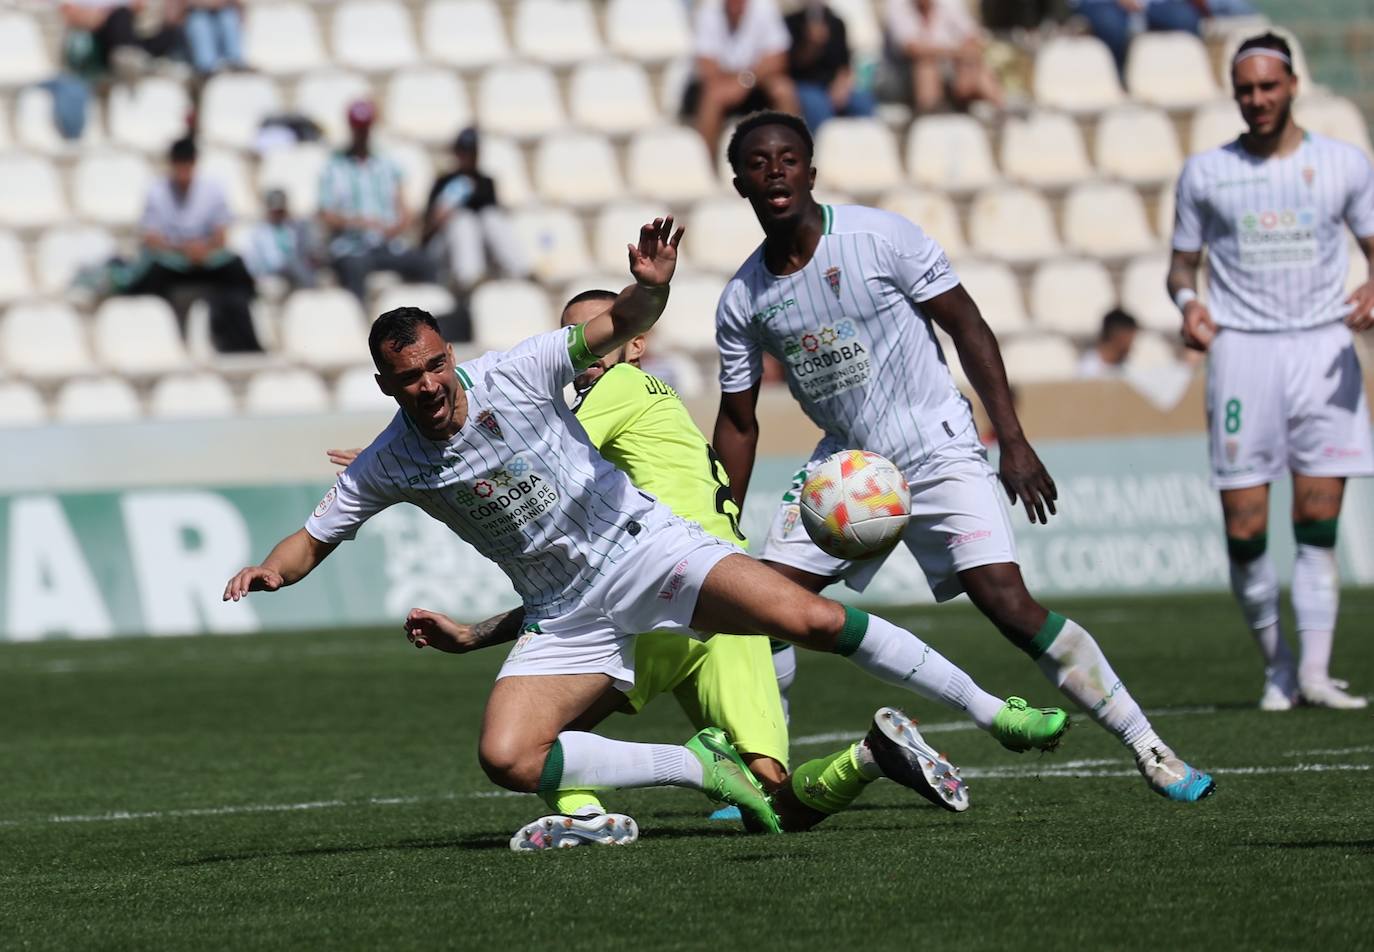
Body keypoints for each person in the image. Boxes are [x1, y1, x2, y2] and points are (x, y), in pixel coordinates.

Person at [224, 216, 1072, 845]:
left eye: (436, 365)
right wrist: (271, 570)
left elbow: (614, 326)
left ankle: (990, 711)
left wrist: (652, 290)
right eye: (409, 378)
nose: (429, 386)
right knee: (509, 756)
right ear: (387, 385)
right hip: (564, 611)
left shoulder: (517, 372)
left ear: (451, 355)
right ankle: (697, 766)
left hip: (646, 551)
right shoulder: (390, 461)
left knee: (811, 619)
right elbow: (313, 538)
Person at [711, 111, 1216, 802]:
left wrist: (1012, 437)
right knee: (762, 604)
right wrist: (721, 514)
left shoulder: (879, 237)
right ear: (740, 184)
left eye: (788, 158)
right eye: (758, 163)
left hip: (938, 447)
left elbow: (967, 324)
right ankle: (766, 780)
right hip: (847, 472)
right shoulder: (742, 300)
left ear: (811, 172)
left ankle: (1151, 749)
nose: (775, 170)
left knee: (1007, 604)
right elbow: (738, 421)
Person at [1167, 33, 1374, 712]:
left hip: (1323, 349)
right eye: (1246, 90)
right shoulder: (1206, 173)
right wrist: (1189, 304)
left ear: (1292, 87)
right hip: (1243, 354)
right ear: (1235, 95)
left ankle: (1314, 673)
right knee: (1245, 528)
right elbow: (1181, 268)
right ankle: (1277, 667)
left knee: (1317, 518)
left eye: (1268, 86)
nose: (1257, 99)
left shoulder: (1343, 164)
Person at [120, 136, 261, 352]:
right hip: (172, 262)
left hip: (206, 259)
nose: (183, 173)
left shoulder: (213, 189)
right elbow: (152, 238)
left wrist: (203, 249)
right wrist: (183, 249)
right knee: (149, 277)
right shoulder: (156, 191)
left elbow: (221, 236)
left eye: (188, 166)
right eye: (179, 166)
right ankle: (149, 338)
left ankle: (241, 341)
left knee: (237, 271)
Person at [318, 100, 436, 301]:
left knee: (425, 263)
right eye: (358, 128)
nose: (362, 134)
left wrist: (396, 227)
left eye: (365, 128)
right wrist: (358, 223)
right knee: (355, 269)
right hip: (351, 247)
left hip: (386, 244)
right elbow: (327, 215)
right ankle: (360, 318)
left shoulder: (387, 165)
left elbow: (404, 208)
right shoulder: (333, 167)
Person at [685, 0, 801, 154]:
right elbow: (707, 67)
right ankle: (707, 161)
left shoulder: (765, 8)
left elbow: (778, 58)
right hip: (724, 84)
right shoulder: (709, 12)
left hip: (756, 82)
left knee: (784, 90)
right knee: (712, 96)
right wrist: (736, 82)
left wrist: (745, 81)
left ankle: (792, 156)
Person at [422, 128, 529, 291]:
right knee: (463, 221)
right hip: (444, 249)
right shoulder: (443, 182)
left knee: (491, 217)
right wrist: (440, 216)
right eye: (463, 151)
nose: (467, 156)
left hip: (480, 249)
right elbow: (427, 230)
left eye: (471, 151)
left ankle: (521, 270)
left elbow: (490, 218)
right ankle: (470, 279)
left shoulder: (486, 183)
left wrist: (470, 191)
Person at [883, 0, 1003, 113]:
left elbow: (974, 38)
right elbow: (912, 49)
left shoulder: (950, 3)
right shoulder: (898, 5)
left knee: (979, 70)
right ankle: (930, 115)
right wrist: (957, 53)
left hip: (951, 68)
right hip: (903, 74)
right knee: (926, 65)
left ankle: (1000, 112)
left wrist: (964, 65)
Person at [784, 2, 876, 133]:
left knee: (863, 101)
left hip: (833, 84)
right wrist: (812, 45)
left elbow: (844, 64)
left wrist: (841, 86)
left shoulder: (837, 23)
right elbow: (793, 64)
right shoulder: (791, 22)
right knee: (818, 106)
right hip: (805, 84)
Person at [1071, 0, 1201, 76]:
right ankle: (1121, 82)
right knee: (1111, 26)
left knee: (1185, 19)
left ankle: (1177, 78)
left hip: (1153, 3)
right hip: (1101, 4)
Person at [242, 188, 319, 290]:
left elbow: (309, 251)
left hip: (298, 272)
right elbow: (254, 262)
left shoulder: (299, 227)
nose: (278, 214)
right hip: (272, 274)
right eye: (275, 211)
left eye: (280, 210)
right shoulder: (258, 232)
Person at [168, 0, 245, 74]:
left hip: (219, 18)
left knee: (227, 18)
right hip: (193, 19)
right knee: (200, 22)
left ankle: (235, 63)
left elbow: (238, 7)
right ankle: (206, 69)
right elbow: (173, 16)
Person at [1077, 308, 1138, 379]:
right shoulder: (1088, 369)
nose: (1132, 346)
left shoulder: (1126, 369)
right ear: (1119, 336)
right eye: (1130, 340)